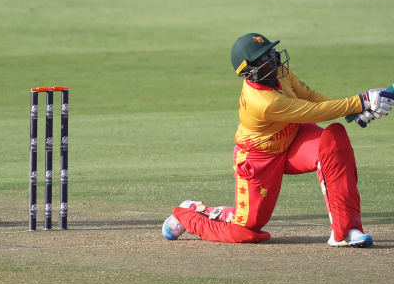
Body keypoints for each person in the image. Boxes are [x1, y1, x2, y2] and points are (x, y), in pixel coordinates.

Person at [162, 33, 394, 247]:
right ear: (250, 70)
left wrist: (353, 110)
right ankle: (189, 213)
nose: (273, 58)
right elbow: (313, 112)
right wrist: (361, 102)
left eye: (271, 52)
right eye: (264, 57)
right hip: (258, 159)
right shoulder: (264, 102)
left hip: (293, 139)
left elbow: (311, 97)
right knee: (246, 229)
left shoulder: (277, 73)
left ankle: (345, 230)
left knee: (334, 139)